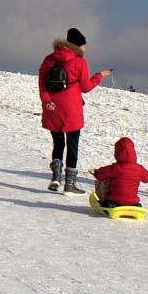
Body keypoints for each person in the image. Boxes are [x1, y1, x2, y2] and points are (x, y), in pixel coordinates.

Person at [38, 27, 113, 194]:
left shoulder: (49, 59)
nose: (85, 48)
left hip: (53, 107)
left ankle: (55, 178)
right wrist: (99, 76)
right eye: (83, 45)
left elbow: (42, 82)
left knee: (58, 143)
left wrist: (46, 101)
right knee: (73, 146)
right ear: (76, 45)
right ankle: (69, 184)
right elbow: (85, 87)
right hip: (71, 108)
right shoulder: (79, 61)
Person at [90, 137, 148, 207]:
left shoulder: (115, 168)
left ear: (117, 152)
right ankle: (135, 205)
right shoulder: (139, 169)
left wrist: (96, 172)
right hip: (132, 201)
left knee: (107, 187)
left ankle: (109, 204)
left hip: (115, 200)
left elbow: (101, 174)